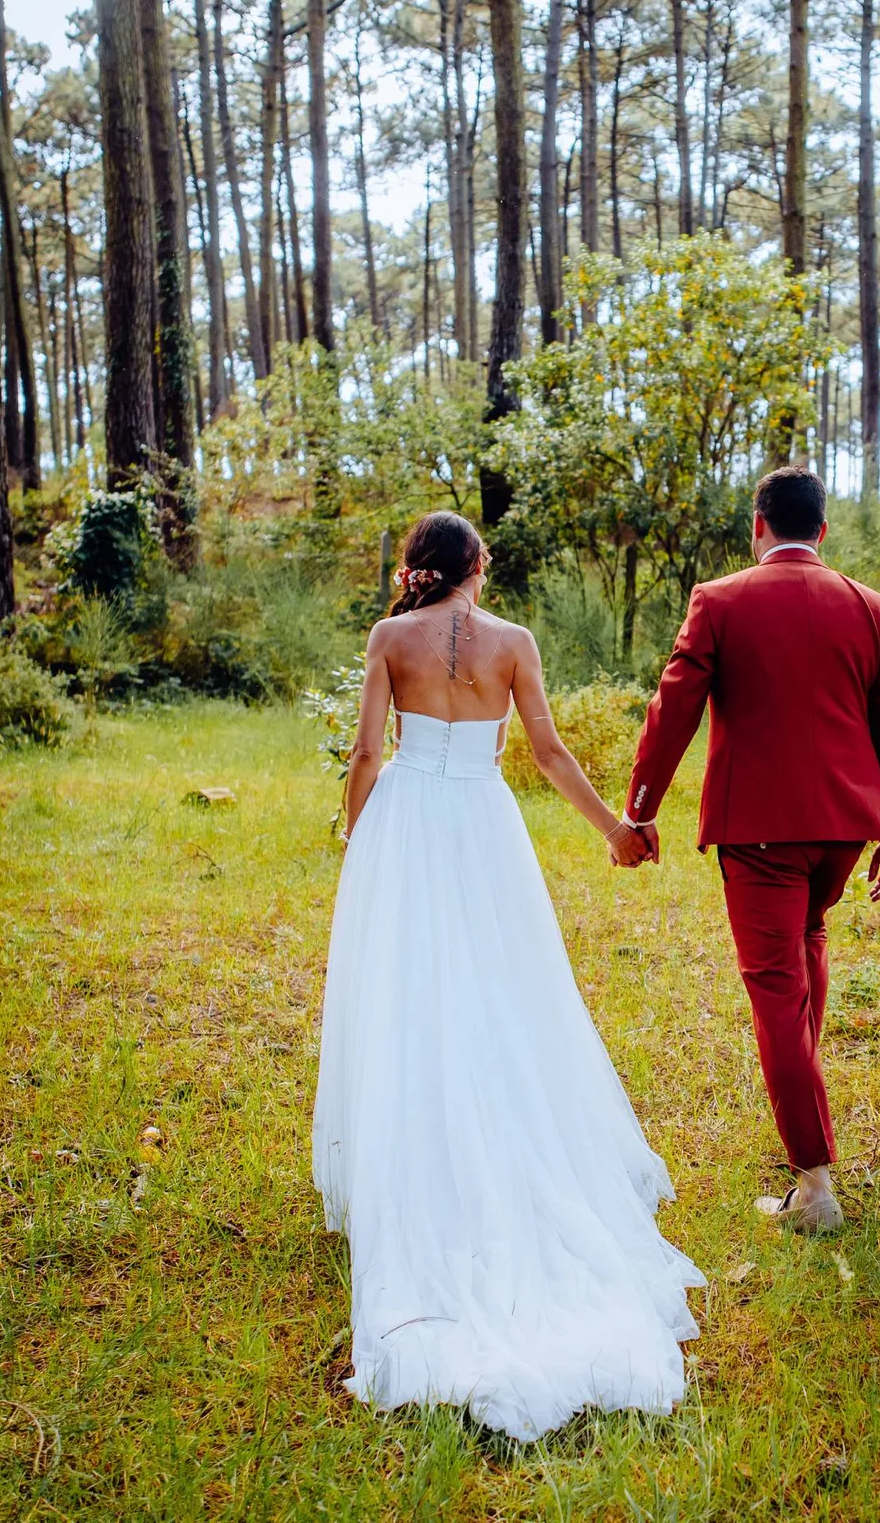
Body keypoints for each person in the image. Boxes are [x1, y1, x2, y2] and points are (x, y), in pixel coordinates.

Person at [312, 511, 704, 1442]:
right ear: (477, 567)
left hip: (409, 817)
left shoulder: (389, 637)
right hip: (486, 822)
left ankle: (416, 1137)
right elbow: (550, 752)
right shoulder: (514, 642)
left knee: (407, 987)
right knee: (506, 986)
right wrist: (615, 828)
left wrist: (354, 828)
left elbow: (368, 752)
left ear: (417, 571)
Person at [616, 466, 880, 1233]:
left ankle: (815, 1187)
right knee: (808, 942)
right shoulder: (873, 609)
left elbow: (672, 708)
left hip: (758, 832)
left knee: (777, 990)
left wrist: (641, 810)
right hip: (844, 830)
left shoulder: (720, 600)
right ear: (821, 531)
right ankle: (806, 1122)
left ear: (758, 526)